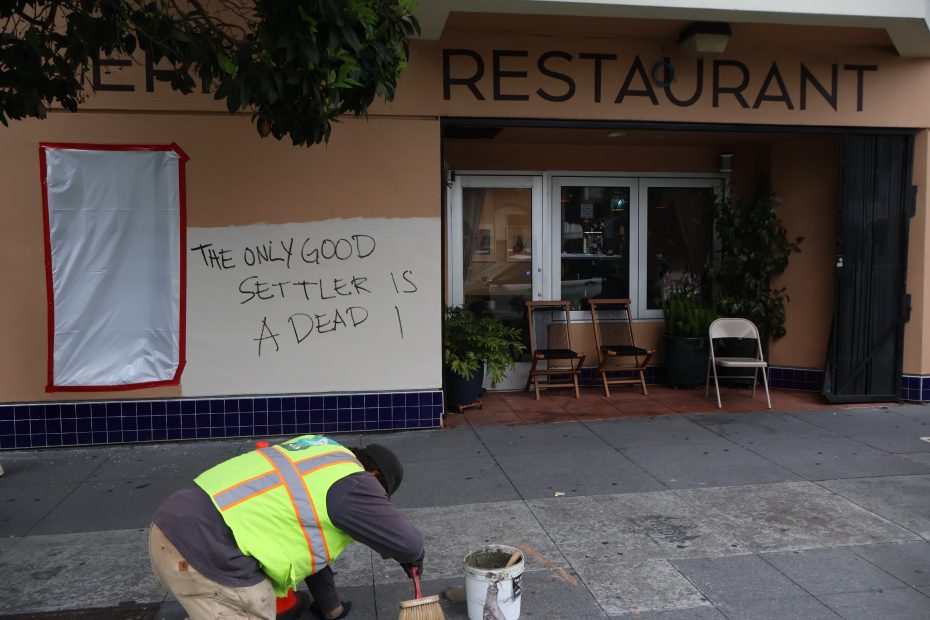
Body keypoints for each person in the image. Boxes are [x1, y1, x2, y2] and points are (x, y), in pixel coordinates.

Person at [149, 435, 424, 620]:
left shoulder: (320, 452)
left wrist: (332, 609)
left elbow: (312, 545)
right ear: (374, 476)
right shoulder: (355, 482)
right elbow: (409, 543)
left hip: (168, 528)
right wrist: (413, 556)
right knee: (255, 600)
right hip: (206, 556)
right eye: (381, 495)